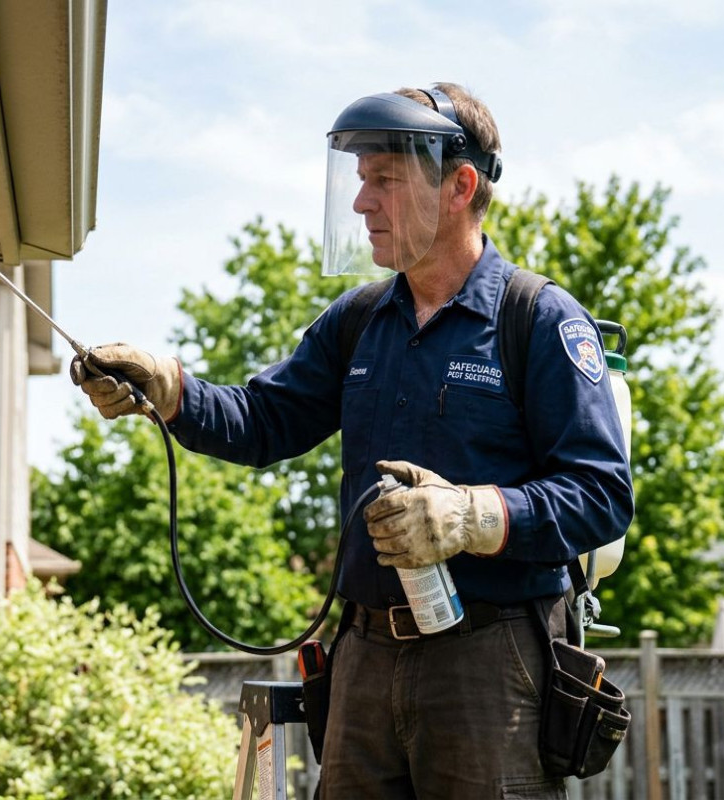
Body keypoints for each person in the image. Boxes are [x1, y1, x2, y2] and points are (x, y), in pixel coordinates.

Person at [70, 82, 633, 799]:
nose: (363, 202)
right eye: (360, 181)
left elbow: (601, 497)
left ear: (460, 185)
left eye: (385, 181)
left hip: (492, 665)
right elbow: (263, 418)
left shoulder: (539, 320)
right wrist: (169, 389)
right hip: (363, 655)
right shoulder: (360, 318)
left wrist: (469, 517)